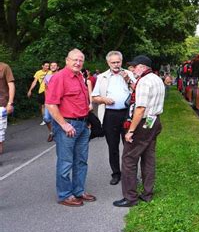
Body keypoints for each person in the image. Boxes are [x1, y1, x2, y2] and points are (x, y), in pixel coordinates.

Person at [45, 49, 95, 207]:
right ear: (66, 61)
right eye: (74, 60)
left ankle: (79, 191)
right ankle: (65, 194)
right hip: (67, 125)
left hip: (82, 124)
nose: (77, 63)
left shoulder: (80, 76)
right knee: (66, 161)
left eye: (80, 60)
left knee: (81, 161)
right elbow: (50, 104)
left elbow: (82, 100)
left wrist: (87, 119)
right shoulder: (59, 77)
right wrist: (64, 124)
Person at [113, 55, 165, 207]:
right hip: (154, 121)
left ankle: (130, 197)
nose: (132, 69)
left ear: (142, 67)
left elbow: (140, 108)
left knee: (129, 159)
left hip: (143, 123)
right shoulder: (156, 79)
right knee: (149, 158)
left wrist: (131, 131)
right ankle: (147, 194)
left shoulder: (143, 82)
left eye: (134, 66)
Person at [92, 51, 135, 185]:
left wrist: (128, 79)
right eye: (113, 62)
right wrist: (104, 99)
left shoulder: (129, 74)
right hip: (110, 115)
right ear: (108, 63)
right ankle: (116, 173)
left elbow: (138, 91)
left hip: (127, 114)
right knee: (113, 146)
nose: (116, 65)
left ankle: (130, 174)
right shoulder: (102, 77)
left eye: (118, 62)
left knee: (129, 146)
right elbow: (94, 97)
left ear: (122, 61)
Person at [27, 61, 50, 125]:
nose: (47, 67)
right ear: (42, 66)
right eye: (46, 66)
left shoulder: (51, 72)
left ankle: (51, 118)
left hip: (50, 91)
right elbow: (34, 82)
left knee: (49, 105)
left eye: (48, 66)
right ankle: (44, 119)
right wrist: (30, 90)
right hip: (41, 91)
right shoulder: (38, 72)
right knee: (42, 106)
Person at [0, 62, 15, 155]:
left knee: (0, 131)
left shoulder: (4, 67)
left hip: (1, 103)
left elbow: (11, 85)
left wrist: (10, 103)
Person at [43, 61, 60, 142]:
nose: (53, 67)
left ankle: (57, 134)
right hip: (49, 100)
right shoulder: (47, 77)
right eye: (51, 65)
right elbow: (46, 89)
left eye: (54, 65)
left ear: (58, 67)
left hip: (58, 100)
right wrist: (46, 100)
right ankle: (51, 132)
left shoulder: (61, 75)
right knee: (46, 118)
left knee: (56, 118)